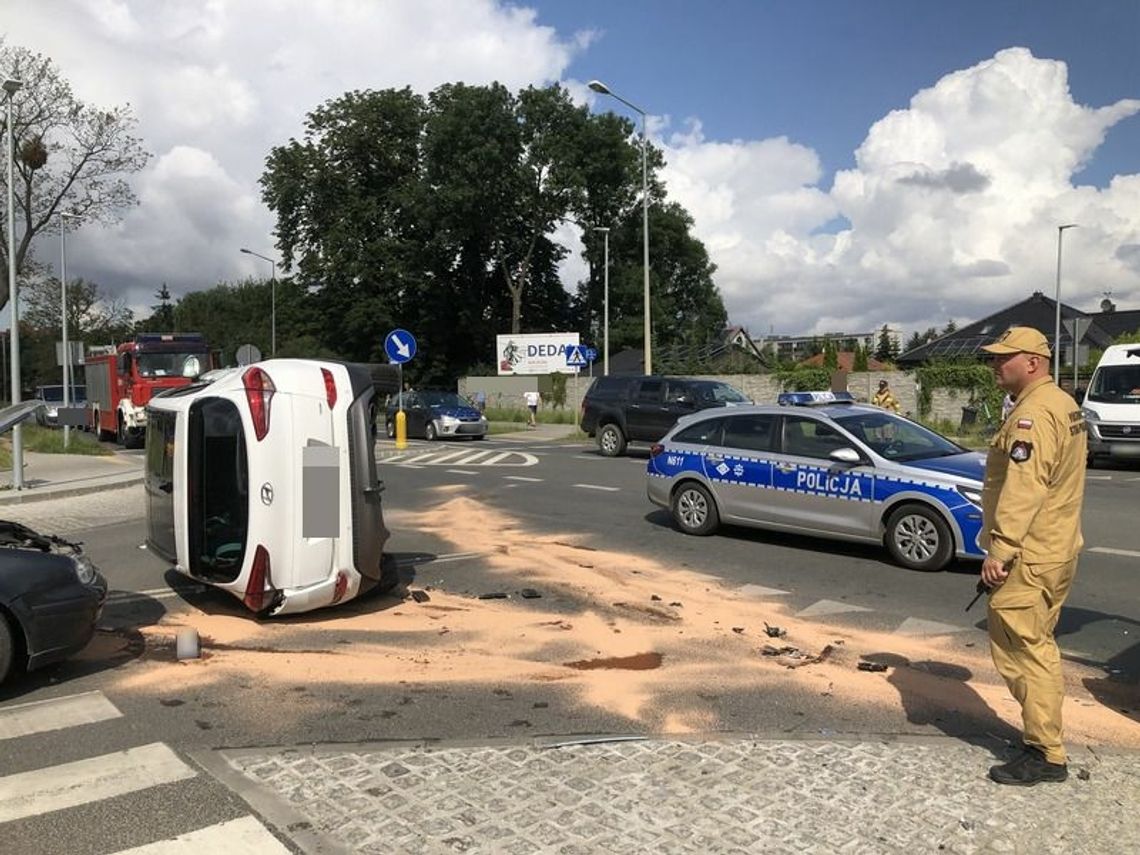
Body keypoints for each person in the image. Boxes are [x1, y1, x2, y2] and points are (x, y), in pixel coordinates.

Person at [979, 326, 1087, 786]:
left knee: (1024, 650)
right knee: (1036, 643)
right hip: (1055, 547)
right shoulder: (1062, 404)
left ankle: (1045, 752)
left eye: (1004, 357)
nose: (994, 365)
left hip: (1030, 553)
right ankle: (1043, 741)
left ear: (1033, 362)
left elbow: (1026, 487)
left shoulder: (1035, 415)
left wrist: (1000, 550)